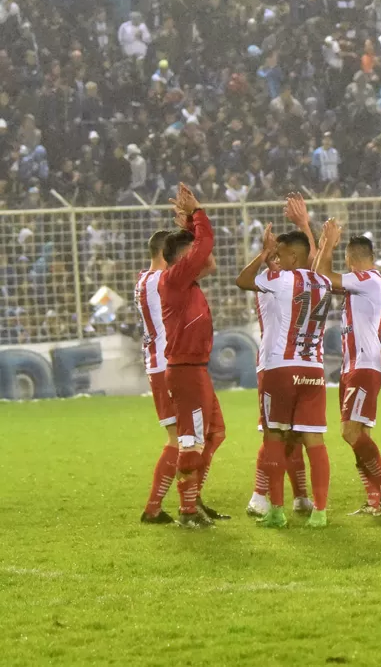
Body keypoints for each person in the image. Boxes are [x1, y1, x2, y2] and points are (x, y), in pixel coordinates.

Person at [234, 226, 337, 528]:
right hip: (313, 369)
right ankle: (319, 511)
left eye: (280, 255)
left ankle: (276, 510)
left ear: (293, 256)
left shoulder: (279, 280)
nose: (276, 260)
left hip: (280, 368)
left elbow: (242, 281)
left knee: (274, 437)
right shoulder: (324, 281)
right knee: (314, 441)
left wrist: (263, 255)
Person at [312, 220, 381, 516]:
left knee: (351, 432)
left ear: (351, 259)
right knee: (356, 434)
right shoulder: (358, 285)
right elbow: (319, 277)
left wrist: (328, 244)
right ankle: (374, 499)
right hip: (353, 366)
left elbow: (323, 273)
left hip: (365, 364)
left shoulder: (369, 280)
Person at [158, 184, 226, 529]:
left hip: (195, 369)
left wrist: (188, 225)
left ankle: (193, 495)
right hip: (186, 371)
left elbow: (206, 258)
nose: (198, 260)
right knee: (192, 439)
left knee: (215, 433)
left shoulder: (185, 281)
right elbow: (206, 248)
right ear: (179, 259)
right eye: (190, 253)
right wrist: (198, 214)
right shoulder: (174, 278)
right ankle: (187, 510)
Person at [136, 230, 181, 524]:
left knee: (196, 435)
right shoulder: (162, 281)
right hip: (169, 365)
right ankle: (155, 507)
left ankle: (191, 500)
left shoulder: (143, 280)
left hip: (158, 364)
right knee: (180, 439)